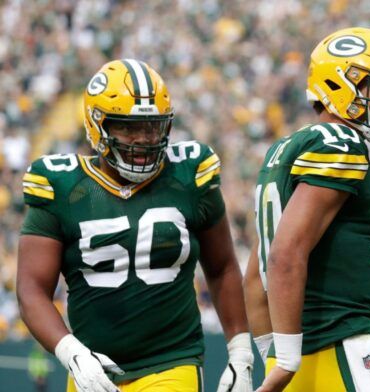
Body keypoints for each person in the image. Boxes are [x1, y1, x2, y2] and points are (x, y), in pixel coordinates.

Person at [17, 59, 253, 392]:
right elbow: (31, 288)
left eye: (153, 126)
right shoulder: (61, 186)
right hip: (92, 367)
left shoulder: (188, 174)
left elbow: (223, 266)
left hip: (172, 361)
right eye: (128, 127)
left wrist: (240, 352)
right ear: (98, 125)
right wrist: (72, 353)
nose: (144, 138)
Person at [253, 27, 370, 392]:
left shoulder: (285, 148)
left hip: (295, 349)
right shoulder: (338, 141)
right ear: (342, 84)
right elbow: (283, 254)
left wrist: (275, 353)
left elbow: (255, 272)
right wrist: (287, 357)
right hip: (342, 343)